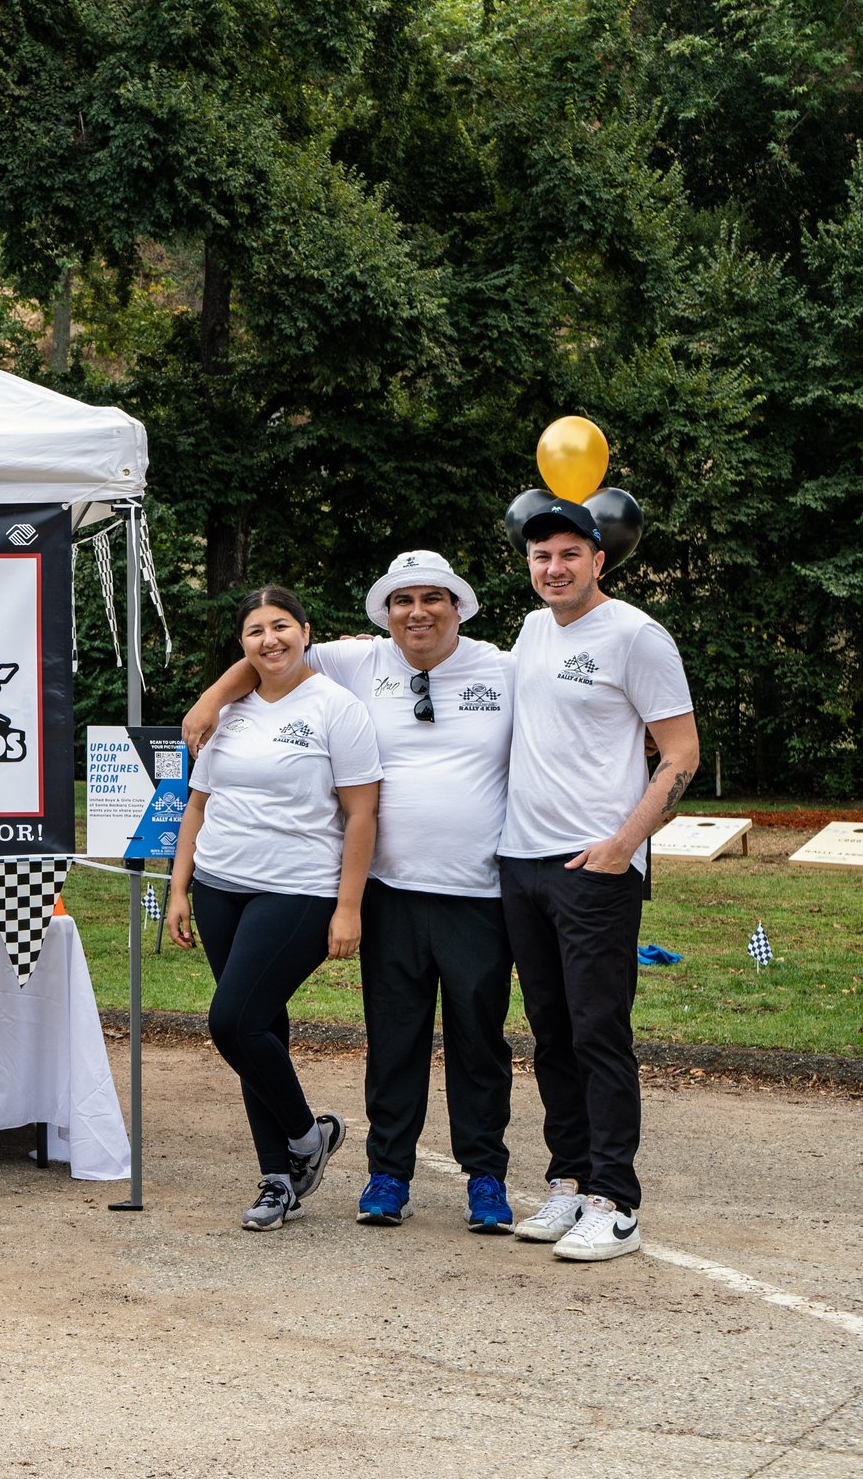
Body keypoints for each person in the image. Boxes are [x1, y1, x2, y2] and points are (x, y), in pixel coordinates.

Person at [181, 553, 520, 1234]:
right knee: (393, 1039)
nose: (417, 611)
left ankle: (486, 1177)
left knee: (479, 1040)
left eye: (432, 598)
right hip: (389, 889)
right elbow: (267, 654)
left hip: (477, 888)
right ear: (384, 612)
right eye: (402, 600)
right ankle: (387, 1174)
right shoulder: (359, 661)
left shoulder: (503, 669)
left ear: (459, 605)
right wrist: (213, 697)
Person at [497, 498, 697, 1262]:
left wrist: (623, 844)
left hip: (595, 870)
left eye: (569, 555)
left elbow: (680, 752)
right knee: (551, 1033)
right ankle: (569, 1181)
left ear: (599, 560)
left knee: (598, 1032)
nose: (554, 568)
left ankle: (616, 1201)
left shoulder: (636, 635)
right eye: (541, 555)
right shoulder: (530, 629)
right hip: (523, 863)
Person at [163, 586, 382, 1232]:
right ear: (243, 643)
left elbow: (362, 811)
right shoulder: (227, 710)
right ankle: (278, 1180)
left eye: (281, 625)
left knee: (232, 1021)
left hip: (299, 889)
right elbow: (197, 804)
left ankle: (306, 1135)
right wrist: (179, 887)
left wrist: (349, 906)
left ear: (306, 631)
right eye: (255, 629)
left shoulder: (336, 707)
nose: (270, 639)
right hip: (219, 886)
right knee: (260, 1032)